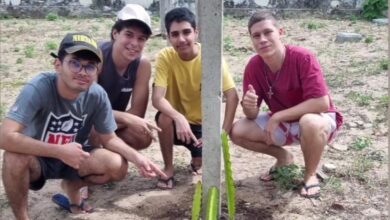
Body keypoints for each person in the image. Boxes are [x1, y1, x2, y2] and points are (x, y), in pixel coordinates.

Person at [0, 32, 166, 219]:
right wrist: (59, 151)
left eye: (90, 67)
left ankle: (72, 186)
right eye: (75, 63)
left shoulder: (96, 94)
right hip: (38, 159)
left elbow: (109, 138)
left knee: (117, 165)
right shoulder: (39, 87)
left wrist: (138, 159)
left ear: (97, 71)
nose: (82, 72)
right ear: (58, 65)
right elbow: (5, 137)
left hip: (76, 157)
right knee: (13, 157)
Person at [230, 12, 343, 198]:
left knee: (310, 122)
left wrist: (278, 116)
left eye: (268, 32)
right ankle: (283, 158)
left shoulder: (303, 57)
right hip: (285, 124)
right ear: (250, 39)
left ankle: (310, 175)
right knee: (237, 131)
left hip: (317, 119)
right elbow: (251, 115)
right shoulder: (254, 65)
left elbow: (322, 103)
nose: (263, 39)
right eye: (256, 35)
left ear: (280, 32)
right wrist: (249, 106)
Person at [152, 7, 239, 189]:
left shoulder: (211, 57)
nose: (181, 39)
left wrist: (220, 133)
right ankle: (168, 168)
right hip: (176, 124)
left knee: (201, 165)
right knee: (164, 116)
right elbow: (157, 99)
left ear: (196, 32)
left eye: (186, 32)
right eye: (175, 34)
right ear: (168, 37)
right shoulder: (165, 57)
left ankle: (197, 157)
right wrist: (179, 117)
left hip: (202, 127)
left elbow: (232, 96)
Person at [90, 4, 159, 150]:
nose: (134, 43)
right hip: (88, 121)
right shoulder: (97, 55)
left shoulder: (142, 65)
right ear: (115, 33)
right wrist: (126, 119)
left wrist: (115, 123)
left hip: (113, 122)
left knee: (143, 134)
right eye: (129, 34)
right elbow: (90, 107)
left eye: (141, 38)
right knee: (94, 129)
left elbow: (138, 112)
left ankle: (110, 149)